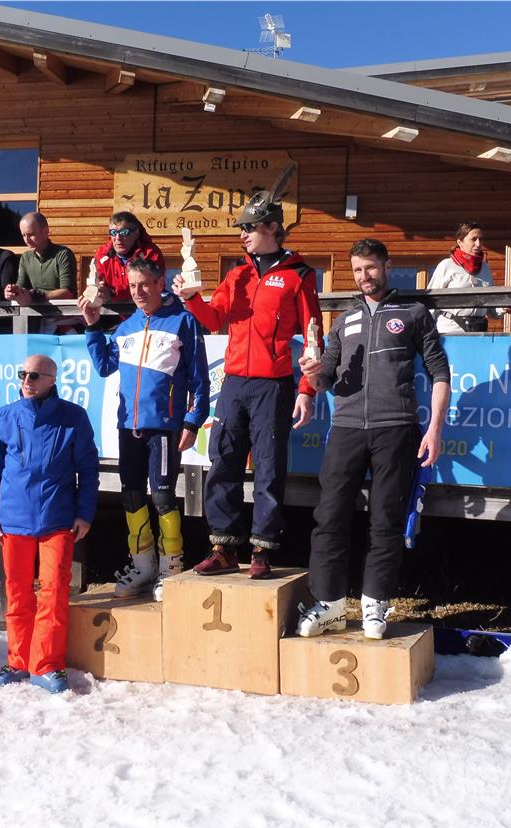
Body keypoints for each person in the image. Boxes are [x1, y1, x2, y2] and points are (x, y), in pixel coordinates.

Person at [296, 238, 451, 640]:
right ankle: (329, 605)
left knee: (385, 519)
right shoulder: (342, 321)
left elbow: (439, 373)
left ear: (386, 266)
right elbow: (326, 378)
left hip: (396, 428)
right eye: (357, 270)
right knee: (329, 516)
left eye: (370, 267)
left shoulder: (413, 313)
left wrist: (434, 429)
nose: (364, 276)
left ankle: (374, 603)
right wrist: (313, 373)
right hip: (346, 428)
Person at [172, 175, 323, 579]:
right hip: (234, 382)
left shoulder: (299, 274)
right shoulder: (237, 275)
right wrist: (191, 298)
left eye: (249, 228)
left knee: (269, 467)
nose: (242, 235)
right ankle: (223, 547)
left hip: (274, 383)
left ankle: (262, 549)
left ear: (272, 227)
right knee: (223, 460)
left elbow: (313, 335)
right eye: (241, 228)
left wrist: (307, 389)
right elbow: (213, 319)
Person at [80, 257, 209, 601]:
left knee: (163, 496)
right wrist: (93, 326)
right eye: (132, 286)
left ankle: (171, 565)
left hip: (164, 426)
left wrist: (193, 420)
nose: (138, 292)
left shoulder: (182, 321)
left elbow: (199, 378)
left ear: (159, 284)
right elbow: (105, 366)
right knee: (132, 495)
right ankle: (143, 564)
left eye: (144, 285)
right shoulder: (126, 328)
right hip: (129, 425)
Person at [0, 354, 99, 694]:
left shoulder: (73, 417)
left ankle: (46, 664)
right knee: (17, 593)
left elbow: (88, 470)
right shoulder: (5, 416)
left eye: (34, 376)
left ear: (51, 380)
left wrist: (84, 513)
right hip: (12, 521)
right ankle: (18, 660)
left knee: (54, 591)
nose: (26, 381)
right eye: (22, 374)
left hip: (57, 519)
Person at [428, 222, 510, 333]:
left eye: (481, 239)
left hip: (478, 332)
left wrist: (503, 308)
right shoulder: (447, 265)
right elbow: (431, 301)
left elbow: (491, 309)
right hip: (450, 331)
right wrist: (426, 333)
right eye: (473, 239)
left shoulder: (485, 268)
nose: (478, 244)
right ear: (460, 242)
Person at [91, 212, 165, 302]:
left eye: (124, 232)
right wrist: (99, 291)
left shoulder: (150, 254)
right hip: (111, 309)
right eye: (113, 232)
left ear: (136, 233)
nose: (118, 238)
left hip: (145, 306)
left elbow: (153, 286)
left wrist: (112, 293)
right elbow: (95, 283)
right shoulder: (103, 255)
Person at [4, 212, 75, 305]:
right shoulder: (26, 257)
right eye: (23, 235)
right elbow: (21, 286)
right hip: (34, 311)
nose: (27, 240)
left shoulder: (63, 254)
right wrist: (13, 292)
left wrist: (36, 297)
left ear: (45, 232)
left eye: (31, 234)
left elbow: (68, 293)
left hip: (63, 311)